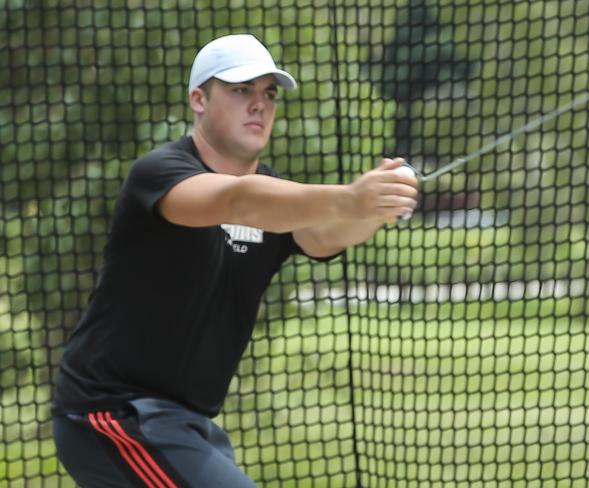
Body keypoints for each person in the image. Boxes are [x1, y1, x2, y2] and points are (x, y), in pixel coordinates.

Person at [52, 33, 418, 487]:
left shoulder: (275, 196)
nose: (259, 104)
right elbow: (237, 201)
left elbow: (323, 237)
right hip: (113, 414)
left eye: (268, 93)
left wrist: (370, 210)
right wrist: (348, 197)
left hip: (183, 422)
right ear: (199, 99)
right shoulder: (161, 173)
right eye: (241, 90)